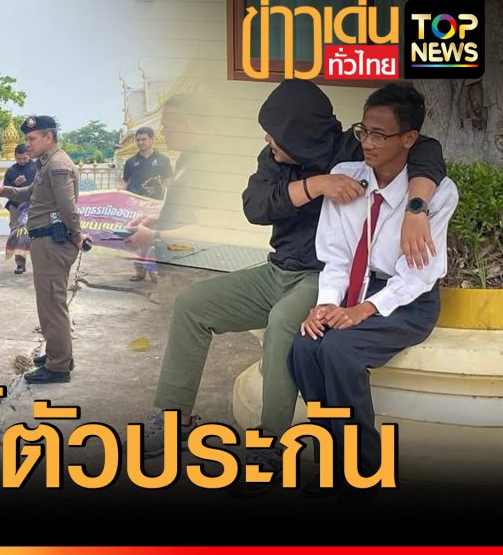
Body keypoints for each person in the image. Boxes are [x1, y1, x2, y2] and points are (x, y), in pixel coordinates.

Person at [123, 80, 448, 486]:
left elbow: (427, 151)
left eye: (276, 134)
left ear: (302, 133)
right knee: (193, 303)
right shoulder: (276, 156)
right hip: (277, 269)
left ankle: (270, 442)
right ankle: (175, 417)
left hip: (323, 277)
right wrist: (315, 185)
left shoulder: (355, 152)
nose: (268, 141)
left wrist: (416, 208)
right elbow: (255, 206)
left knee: (283, 324)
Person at [289, 84, 457, 504]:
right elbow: (337, 257)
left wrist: (364, 309)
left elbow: (418, 276)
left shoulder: (437, 194)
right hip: (356, 286)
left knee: (340, 350)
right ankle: (332, 462)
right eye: (364, 131)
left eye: (380, 135)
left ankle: (365, 470)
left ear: (409, 139)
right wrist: (327, 304)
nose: (367, 142)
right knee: (305, 346)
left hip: (407, 300)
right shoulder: (346, 178)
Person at [0, 116, 89, 384]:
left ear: (48, 137)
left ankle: (59, 367)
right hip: (46, 242)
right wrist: (2, 189)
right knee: (49, 304)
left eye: (32, 139)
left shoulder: (58, 165)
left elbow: (68, 206)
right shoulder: (47, 163)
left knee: (52, 305)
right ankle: (58, 353)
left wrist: (77, 235)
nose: (28, 144)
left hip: (53, 243)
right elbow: (32, 193)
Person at [121, 126, 171, 282]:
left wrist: (169, 203)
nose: (140, 143)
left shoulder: (163, 160)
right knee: (138, 240)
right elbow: (125, 183)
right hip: (136, 209)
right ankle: (139, 271)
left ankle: (153, 271)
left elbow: (169, 182)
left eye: (144, 139)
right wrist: (118, 196)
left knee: (153, 240)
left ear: (152, 140)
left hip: (155, 208)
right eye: (138, 140)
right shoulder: (131, 162)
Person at [2, 144, 37, 275]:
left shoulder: (37, 167)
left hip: (34, 206)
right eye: (18, 159)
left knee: (37, 234)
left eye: (24, 158)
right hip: (16, 207)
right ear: (15, 157)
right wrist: (14, 184)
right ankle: (20, 264)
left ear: (29, 155)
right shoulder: (11, 171)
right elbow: (4, 190)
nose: (21, 161)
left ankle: (39, 264)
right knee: (18, 235)